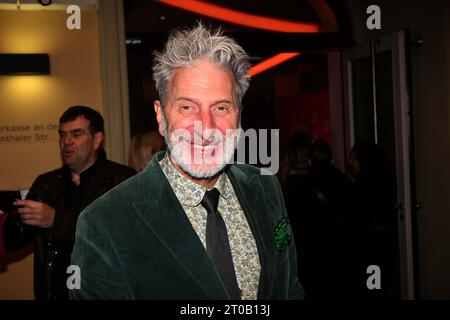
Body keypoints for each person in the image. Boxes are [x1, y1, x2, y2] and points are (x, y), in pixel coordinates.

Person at [70, 23, 304, 300]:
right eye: (187, 107)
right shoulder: (105, 222)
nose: (206, 127)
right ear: (161, 116)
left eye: (221, 107)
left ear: (238, 115)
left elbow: (289, 288)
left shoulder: (265, 187)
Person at [0, 106, 136, 300]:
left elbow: (122, 241)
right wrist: (10, 222)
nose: (67, 142)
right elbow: (18, 234)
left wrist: (56, 221)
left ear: (97, 139)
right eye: (62, 135)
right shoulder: (46, 183)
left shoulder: (122, 181)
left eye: (76, 134)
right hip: (53, 293)